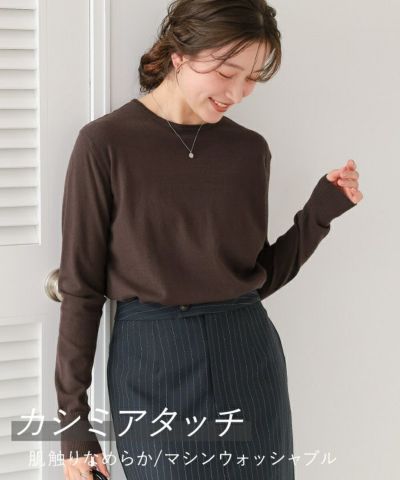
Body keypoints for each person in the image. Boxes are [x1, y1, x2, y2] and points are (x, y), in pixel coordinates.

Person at [56, 0, 363, 479]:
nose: (237, 93)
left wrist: (318, 215)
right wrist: (73, 422)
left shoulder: (248, 150)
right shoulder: (105, 144)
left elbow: (256, 278)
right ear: (179, 54)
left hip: (247, 354)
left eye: (253, 78)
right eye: (227, 72)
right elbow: (81, 286)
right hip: (153, 362)